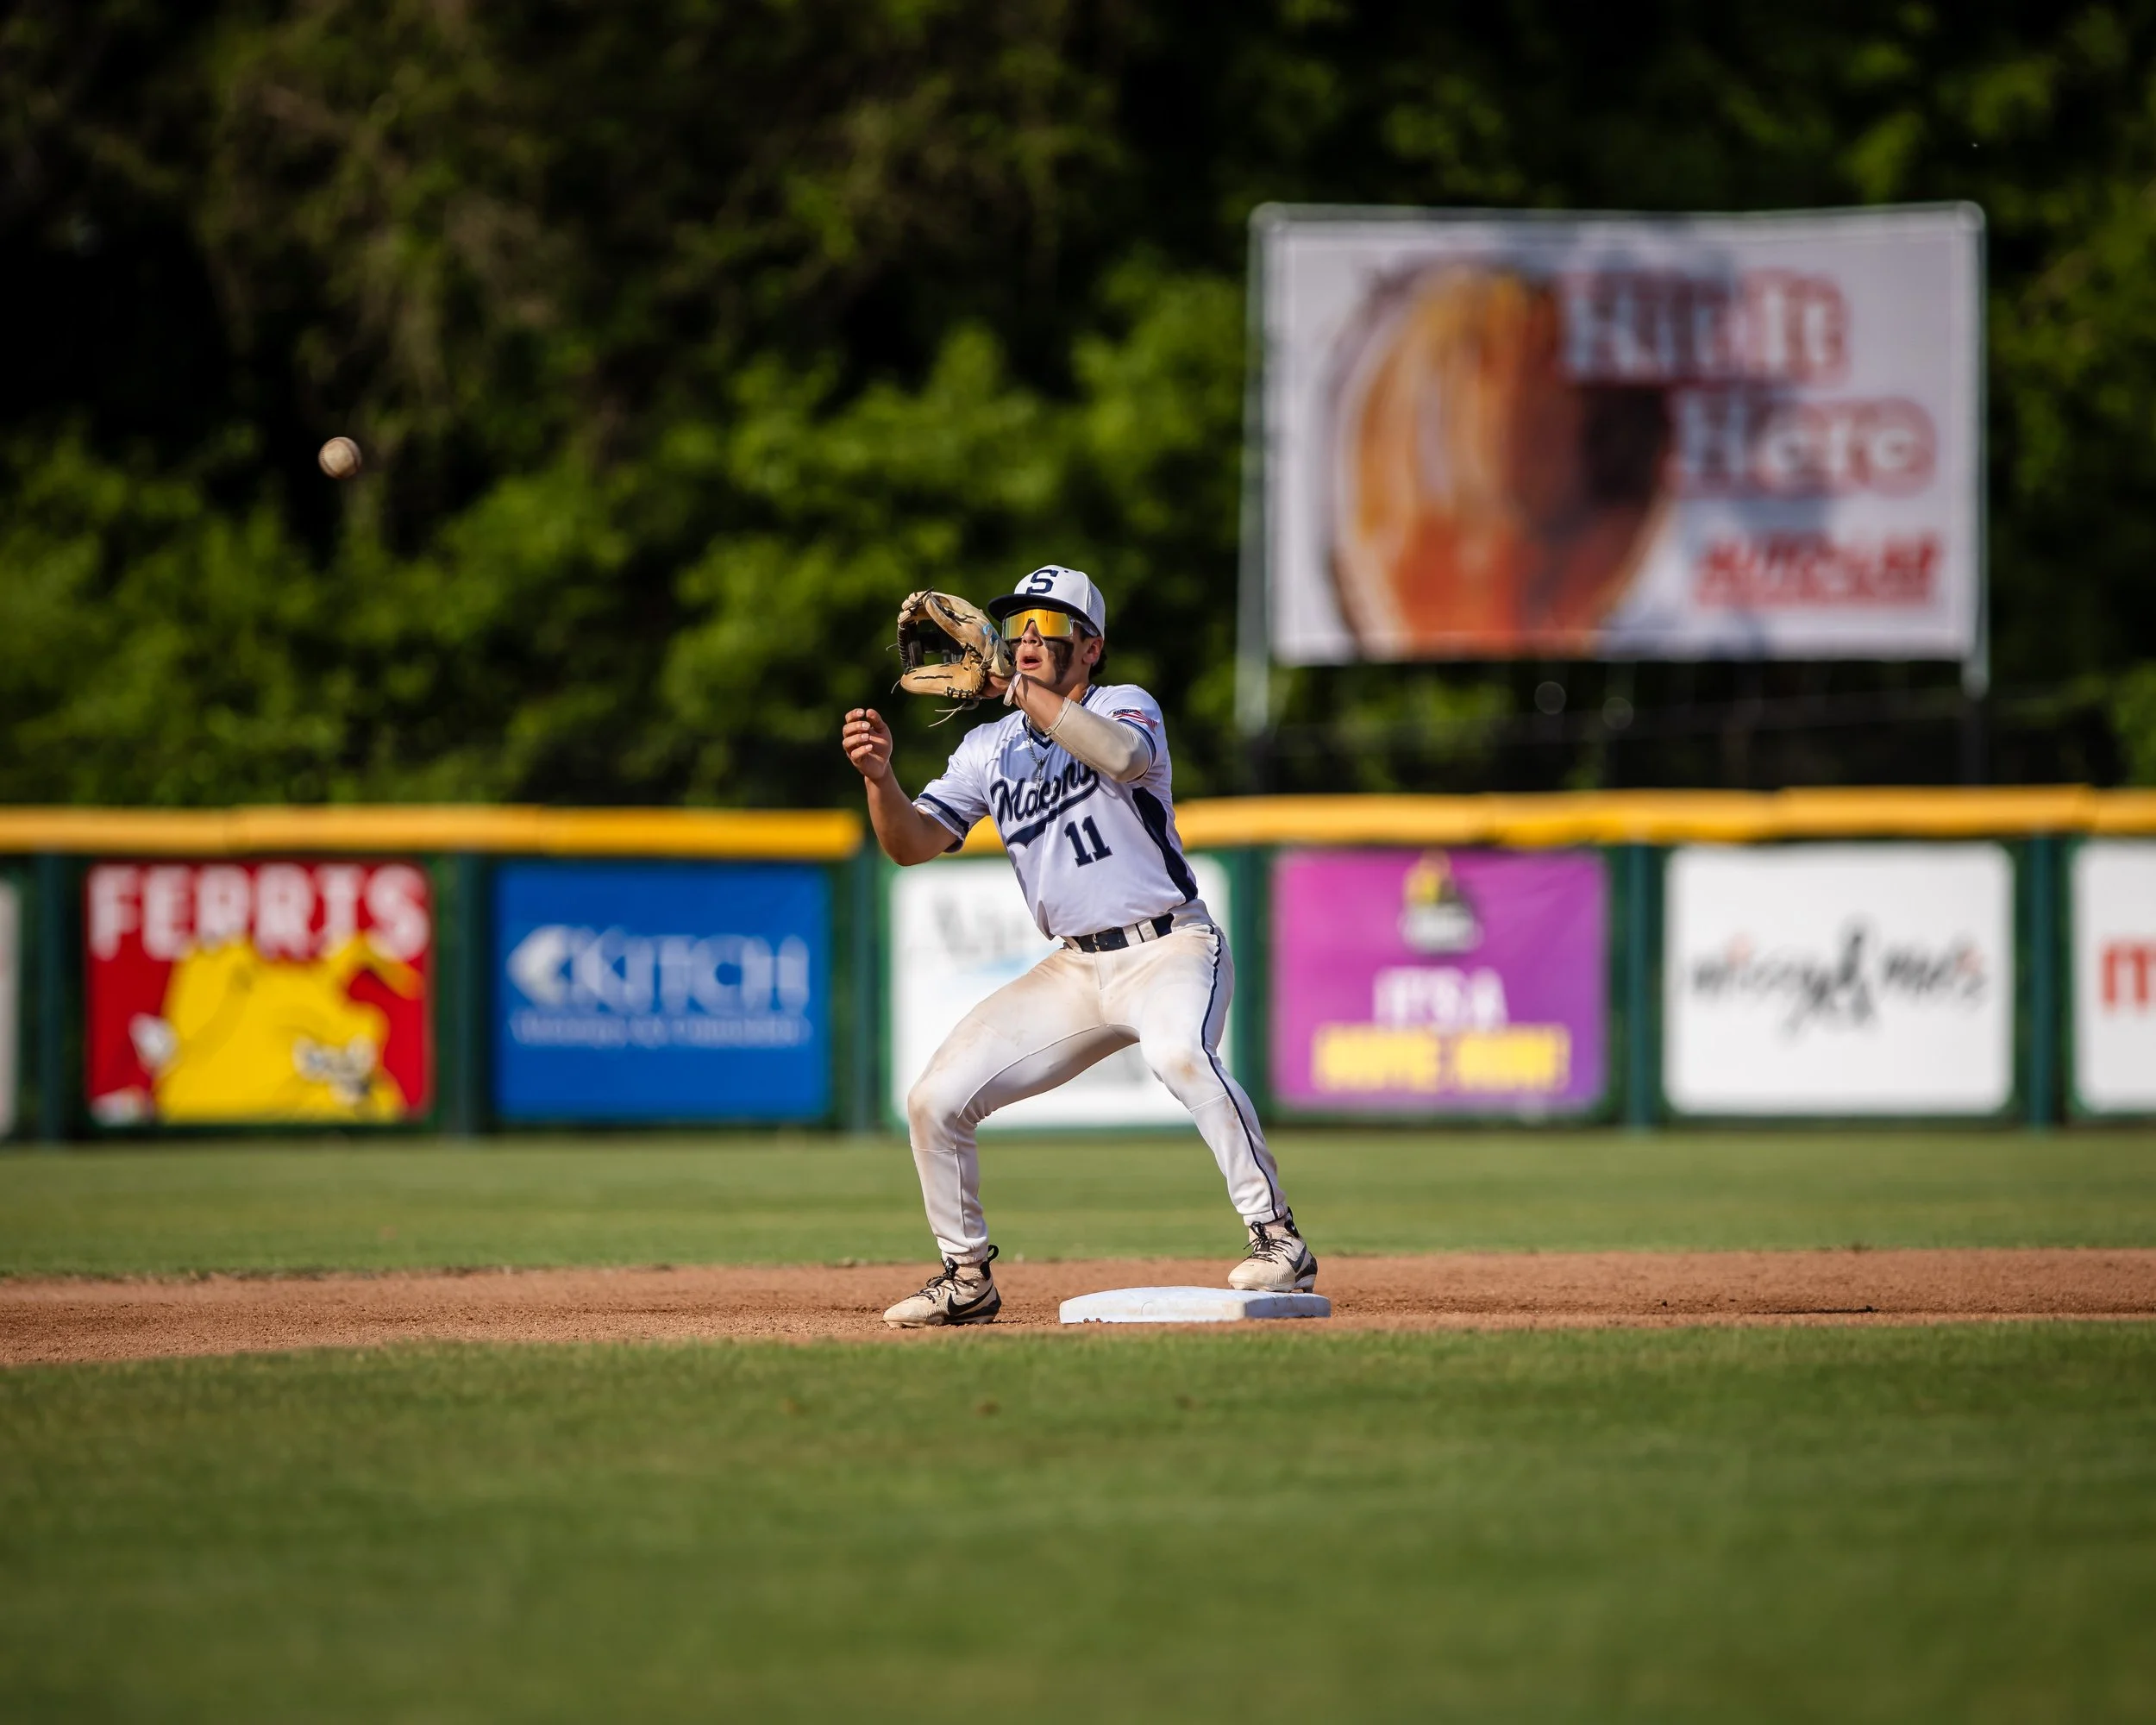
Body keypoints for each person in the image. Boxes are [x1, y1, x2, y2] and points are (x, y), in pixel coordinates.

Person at [841, 565, 1315, 1327]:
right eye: (1017, 626)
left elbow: (1123, 759)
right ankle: (966, 1277)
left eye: (1048, 626)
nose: (1025, 640)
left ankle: (1278, 1237)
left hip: (1170, 947)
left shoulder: (1126, 705)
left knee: (1181, 1056)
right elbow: (911, 844)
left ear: (1091, 648)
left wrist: (1017, 690)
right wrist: (879, 779)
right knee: (934, 1100)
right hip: (1075, 967)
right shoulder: (988, 749)